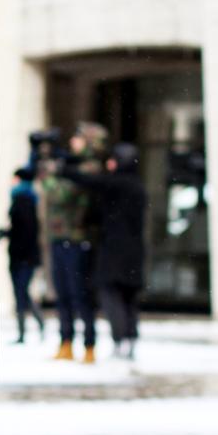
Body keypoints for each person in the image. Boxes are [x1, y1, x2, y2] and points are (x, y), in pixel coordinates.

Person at [60, 142, 147, 358]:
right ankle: (130, 339)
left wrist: (65, 169)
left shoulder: (116, 184)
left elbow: (90, 181)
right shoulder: (138, 186)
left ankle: (120, 339)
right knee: (128, 297)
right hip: (135, 251)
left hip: (114, 250)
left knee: (110, 294)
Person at [31, 122, 108, 364]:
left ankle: (89, 345)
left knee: (80, 294)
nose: (73, 142)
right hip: (60, 238)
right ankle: (66, 342)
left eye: (78, 138)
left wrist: (53, 171)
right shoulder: (70, 165)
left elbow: (58, 194)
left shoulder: (90, 168)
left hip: (78, 239)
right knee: (62, 293)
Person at [0, 166, 45, 343]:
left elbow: (25, 231)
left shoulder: (23, 201)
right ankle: (33, 326)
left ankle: (27, 329)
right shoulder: (25, 199)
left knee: (21, 292)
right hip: (23, 255)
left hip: (22, 256)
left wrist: (7, 234)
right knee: (21, 292)